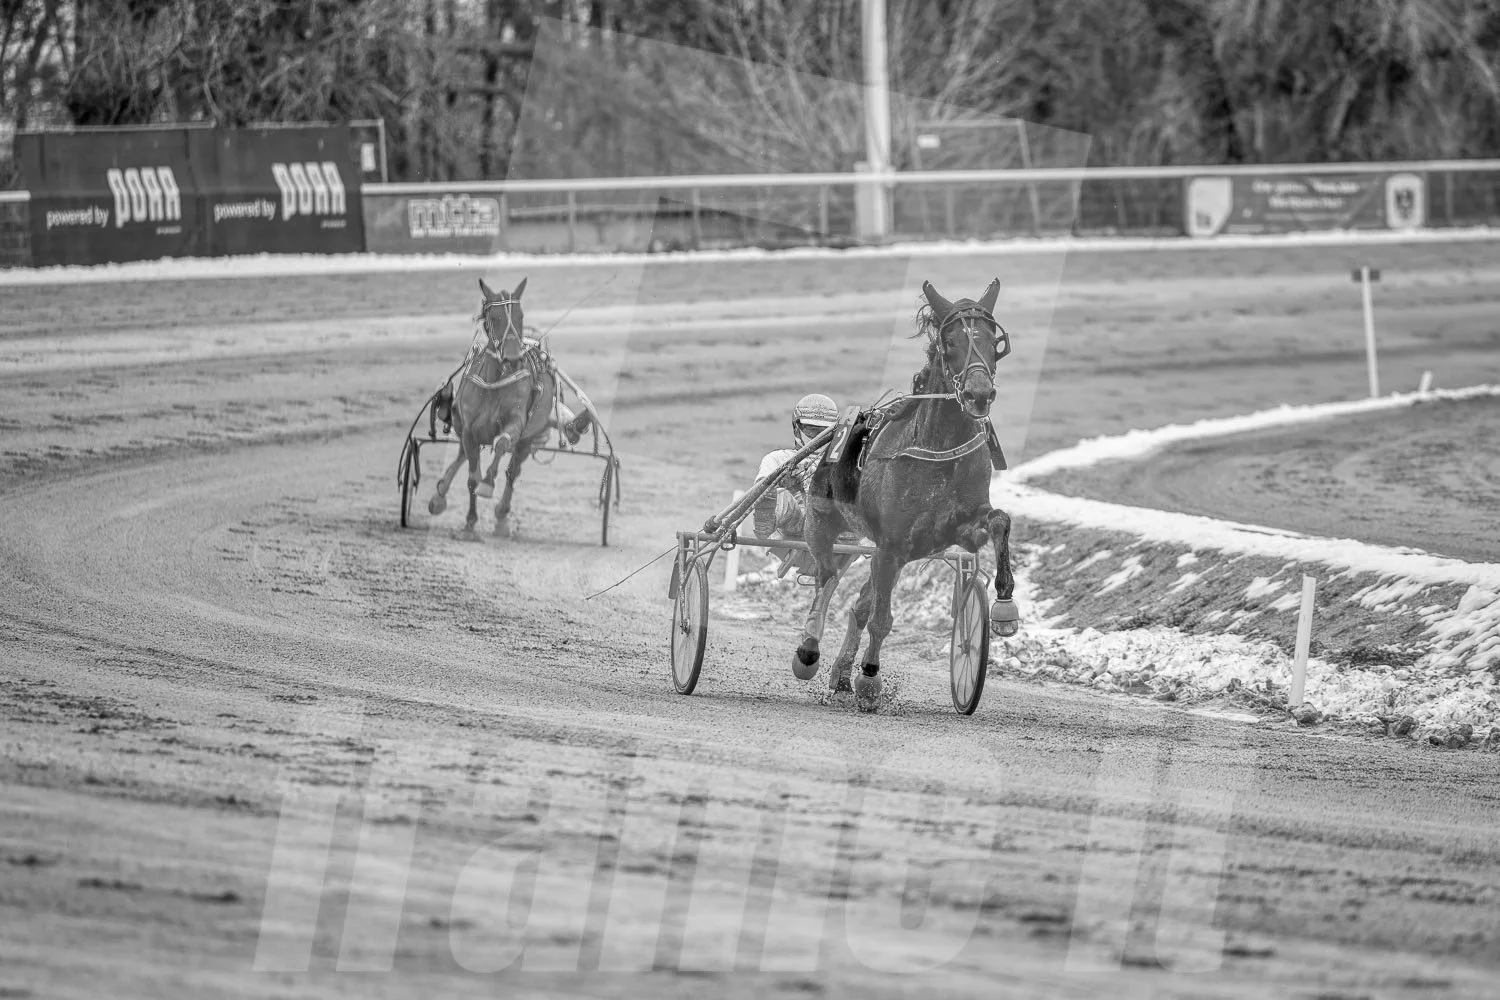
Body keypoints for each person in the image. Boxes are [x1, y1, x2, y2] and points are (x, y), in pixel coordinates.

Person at [751, 393, 840, 545]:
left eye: (824, 430)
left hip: (835, 527)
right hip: (796, 525)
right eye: (812, 430)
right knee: (778, 495)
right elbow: (761, 487)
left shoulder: (844, 461)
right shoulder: (779, 458)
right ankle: (764, 520)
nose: (819, 436)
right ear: (797, 427)